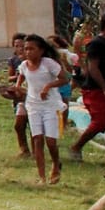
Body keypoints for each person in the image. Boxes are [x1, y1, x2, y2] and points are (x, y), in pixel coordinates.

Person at [16, 34, 68, 185]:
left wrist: (48, 86)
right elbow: (21, 77)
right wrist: (17, 88)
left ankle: (56, 164)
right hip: (33, 106)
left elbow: (64, 79)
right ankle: (42, 177)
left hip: (50, 105)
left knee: (51, 141)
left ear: (41, 50)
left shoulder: (48, 64)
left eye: (32, 49)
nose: (28, 52)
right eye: (26, 49)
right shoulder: (24, 65)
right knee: (37, 139)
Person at [68, 11, 105, 164]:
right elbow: (93, 68)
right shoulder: (96, 44)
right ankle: (76, 146)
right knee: (101, 121)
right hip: (96, 90)